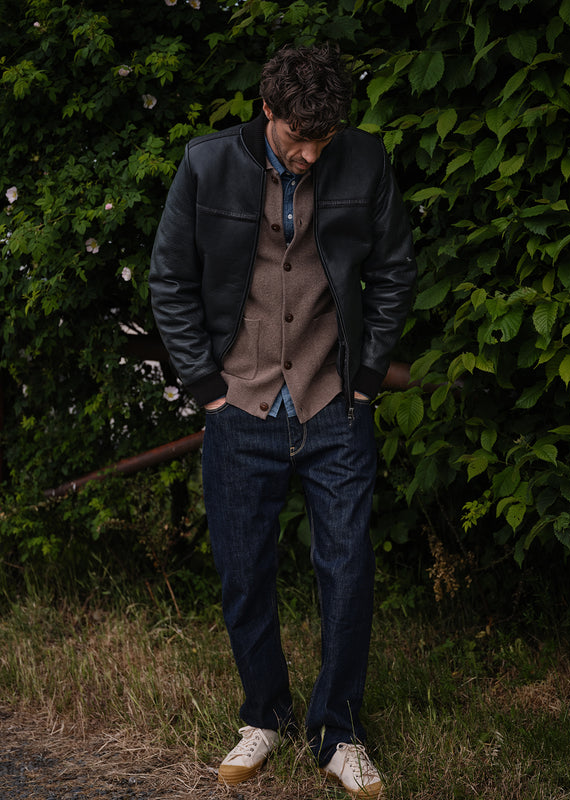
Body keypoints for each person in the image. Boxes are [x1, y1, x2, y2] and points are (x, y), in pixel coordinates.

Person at [149, 43, 416, 799]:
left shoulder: (362, 160)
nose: (307, 153)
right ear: (266, 109)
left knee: (348, 570)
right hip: (240, 406)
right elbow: (169, 278)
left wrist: (366, 380)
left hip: (335, 405)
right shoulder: (206, 165)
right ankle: (263, 714)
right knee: (244, 572)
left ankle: (340, 731)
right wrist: (205, 388)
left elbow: (395, 270)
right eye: (297, 135)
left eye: (320, 141)